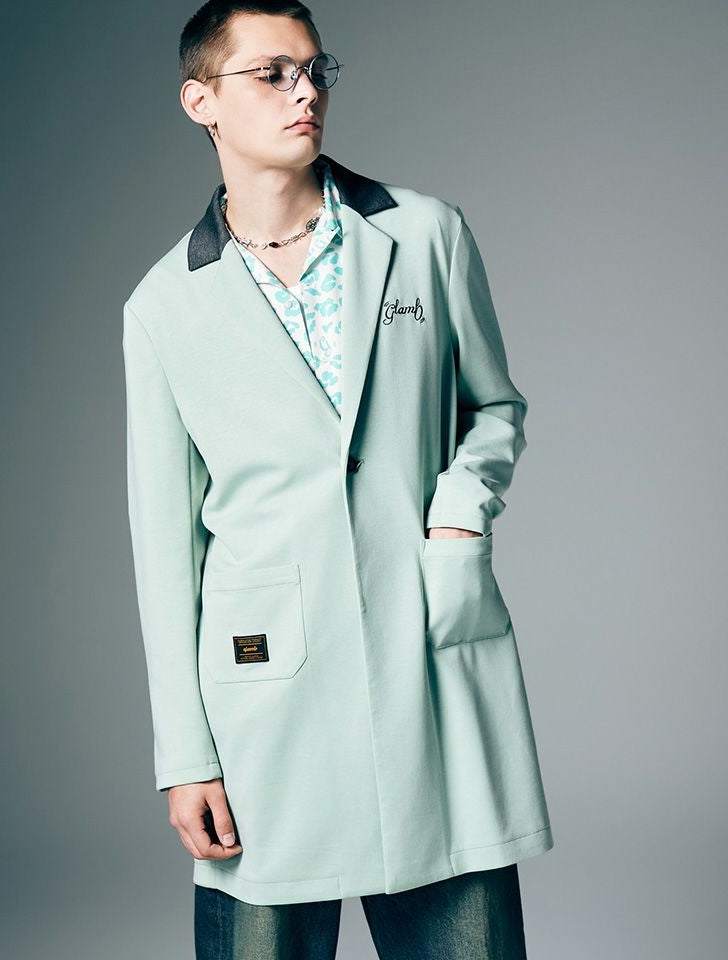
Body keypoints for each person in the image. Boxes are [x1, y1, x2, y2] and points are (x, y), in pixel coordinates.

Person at [121, 1, 555, 956]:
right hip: (266, 694)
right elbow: (165, 547)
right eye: (271, 73)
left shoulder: (426, 234)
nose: (305, 91)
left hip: (425, 658)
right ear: (201, 101)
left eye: (315, 69)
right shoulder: (163, 307)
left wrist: (459, 518)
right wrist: (184, 756)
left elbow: (495, 407)